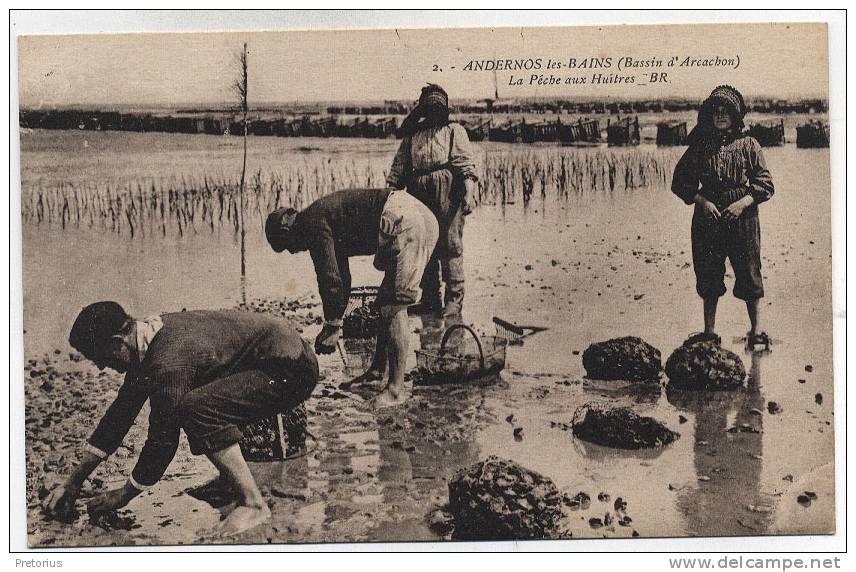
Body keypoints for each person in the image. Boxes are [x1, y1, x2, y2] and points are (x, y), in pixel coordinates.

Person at [44, 302, 319, 536]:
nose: (102, 366)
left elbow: (163, 441)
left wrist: (123, 495)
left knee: (197, 408)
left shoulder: (168, 363)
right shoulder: (148, 338)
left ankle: (253, 504)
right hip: (275, 354)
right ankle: (231, 481)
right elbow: (119, 416)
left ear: (118, 343)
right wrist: (73, 482)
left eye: (99, 358)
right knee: (204, 401)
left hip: (292, 368)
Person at [266, 188, 438, 406]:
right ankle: (377, 372)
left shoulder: (311, 223)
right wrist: (334, 321)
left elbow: (329, 278)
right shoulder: (322, 216)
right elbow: (341, 276)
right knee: (385, 301)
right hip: (414, 214)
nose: (293, 252)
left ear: (287, 230)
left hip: (404, 220)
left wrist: (333, 327)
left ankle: (395, 390)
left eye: (288, 246)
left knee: (395, 305)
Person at [671, 85, 775, 348]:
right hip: (708, 220)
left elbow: (765, 185)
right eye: (715, 112)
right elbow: (680, 182)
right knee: (708, 274)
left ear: (734, 116)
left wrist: (742, 204)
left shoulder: (750, 145)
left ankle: (756, 330)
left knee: (750, 273)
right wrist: (701, 200)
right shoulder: (700, 146)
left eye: (725, 112)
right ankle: (709, 332)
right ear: (709, 116)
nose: (720, 116)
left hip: (743, 220)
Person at [386, 84, 480, 317]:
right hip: (418, 192)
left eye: (437, 108)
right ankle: (430, 300)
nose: (433, 112)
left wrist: (468, 194)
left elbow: (465, 165)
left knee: (450, 244)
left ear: (444, 110)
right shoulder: (413, 135)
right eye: (429, 108)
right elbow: (398, 168)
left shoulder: (453, 131)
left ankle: (454, 301)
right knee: (424, 244)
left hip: (448, 191)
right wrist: (388, 196)